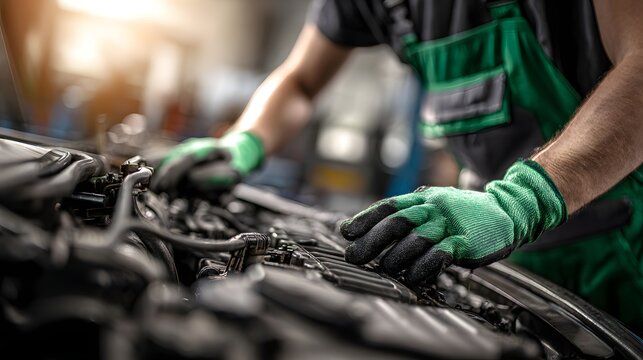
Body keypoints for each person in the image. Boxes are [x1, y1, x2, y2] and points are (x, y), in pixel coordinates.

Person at [151, 0, 643, 332]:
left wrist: (521, 200)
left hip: (625, 253)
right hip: (496, 251)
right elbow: (301, 80)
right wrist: (244, 143)